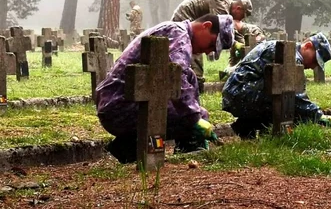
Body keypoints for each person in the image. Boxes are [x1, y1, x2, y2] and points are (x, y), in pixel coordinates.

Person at [96, 14, 235, 163]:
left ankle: (128, 146)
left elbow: (184, 77)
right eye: (211, 44)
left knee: (193, 93)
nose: (208, 51)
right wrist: (194, 118)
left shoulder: (176, 32)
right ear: (206, 26)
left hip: (117, 103)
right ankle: (187, 153)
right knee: (194, 117)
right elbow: (177, 77)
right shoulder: (179, 36)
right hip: (120, 106)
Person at [222, 33, 331, 139]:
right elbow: (295, 96)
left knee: (287, 100)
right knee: (291, 104)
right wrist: (318, 115)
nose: (313, 66)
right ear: (307, 46)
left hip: (238, 93)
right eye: (315, 60)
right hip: (239, 93)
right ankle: (271, 134)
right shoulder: (290, 55)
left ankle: (247, 126)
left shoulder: (290, 52)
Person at [171, 0, 253, 92]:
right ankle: (196, 82)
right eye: (243, 15)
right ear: (238, 8)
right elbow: (221, 29)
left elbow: (230, 30)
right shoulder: (221, 4)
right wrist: (237, 43)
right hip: (185, 17)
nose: (241, 19)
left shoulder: (227, 5)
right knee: (195, 48)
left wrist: (242, 43)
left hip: (195, 20)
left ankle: (191, 81)